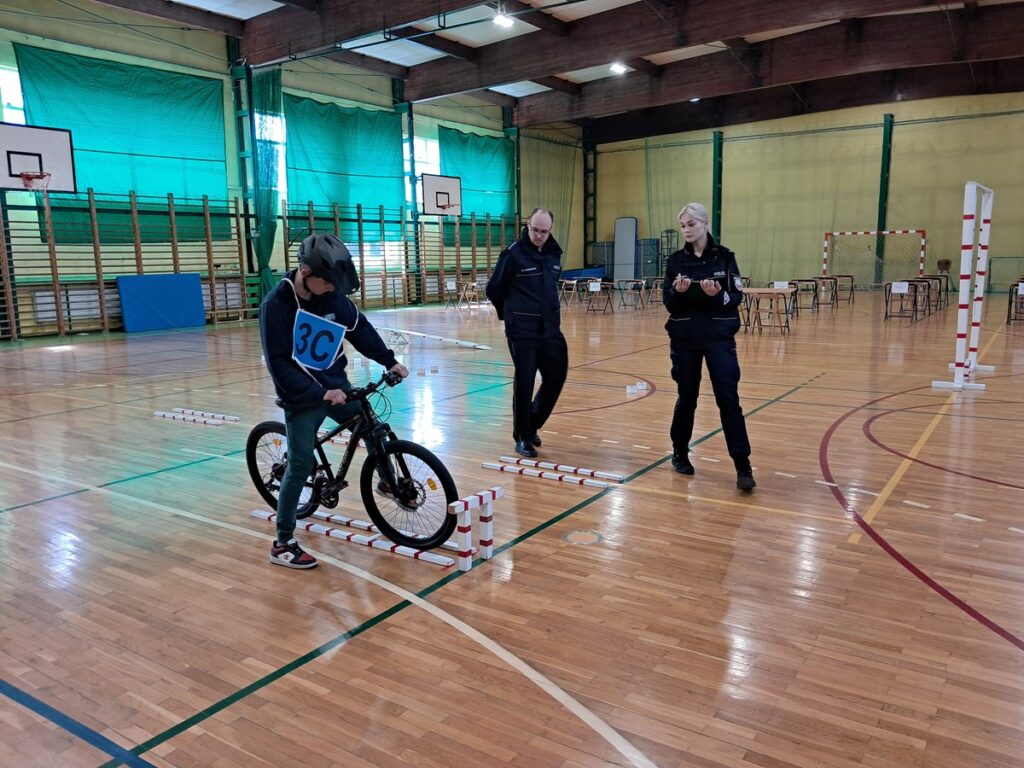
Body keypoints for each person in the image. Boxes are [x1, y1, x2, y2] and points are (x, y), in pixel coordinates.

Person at [259, 233, 410, 568]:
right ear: (305, 273)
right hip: (301, 396)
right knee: (299, 466)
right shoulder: (277, 305)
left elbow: (360, 330)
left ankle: (386, 479)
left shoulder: (333, 294)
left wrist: (389, 361)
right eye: (327, 285)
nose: (332, 293)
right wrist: (319, 393)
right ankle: (282, 544)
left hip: (335, 386)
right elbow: (280, 365)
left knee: (374, 428)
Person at [662, 202, 755, 492]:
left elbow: (736, 298)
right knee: (686, 398)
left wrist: (718, 296)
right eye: (683, 225)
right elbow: (668, 302)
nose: (687, 230)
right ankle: (679, 451)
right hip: (685, 338)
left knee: (728, 399)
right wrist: (677, 293)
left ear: (705, 224)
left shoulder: (726, 258)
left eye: (691, 224)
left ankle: (742, 465)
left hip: (718, 338)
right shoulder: (675, 260)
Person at [486, 207, 568, 459]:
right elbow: (493, 289)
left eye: (544, 231)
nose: (539, 235)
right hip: (522, 331)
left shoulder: (554, 254)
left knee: (557, 376)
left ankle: (531, 423)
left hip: (550, 328)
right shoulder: (513, 254)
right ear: (527, 225)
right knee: (525, 382)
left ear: (550, 230)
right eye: (534, 229)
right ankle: (522, 435)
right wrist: (511, 316)